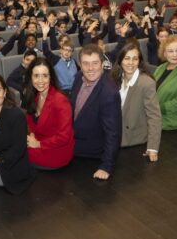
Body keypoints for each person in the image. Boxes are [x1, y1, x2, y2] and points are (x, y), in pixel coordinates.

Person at [71, 44, 122, 180]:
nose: (90, 68)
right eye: (86, 64)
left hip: (91, 154)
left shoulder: (109, 92)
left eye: (95, 63)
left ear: (103, 64)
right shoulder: (78, 78)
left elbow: (113, 133)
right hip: (72, 143)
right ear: (80, 65)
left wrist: (106, 166)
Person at [110, 39, 162, 161]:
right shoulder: (114, 77)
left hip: (132, 139)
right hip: (113, 134)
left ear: (139, 61)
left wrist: (153, 148)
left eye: (135, 59)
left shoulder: (146, 82)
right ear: (121, 60)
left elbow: (154, 116)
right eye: (127, 58)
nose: (131, 62)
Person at [23, 58, 74, 170]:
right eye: (36, 75)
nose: (40, 80)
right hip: (40, 142)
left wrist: (38, 144)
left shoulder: (60, 101)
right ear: (31, 77)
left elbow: (64, 137)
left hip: (57, 150)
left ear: (50, 77)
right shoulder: (35, 96)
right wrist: (32, 136)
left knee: (15, 152)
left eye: (45, 75)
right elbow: (32, 125)